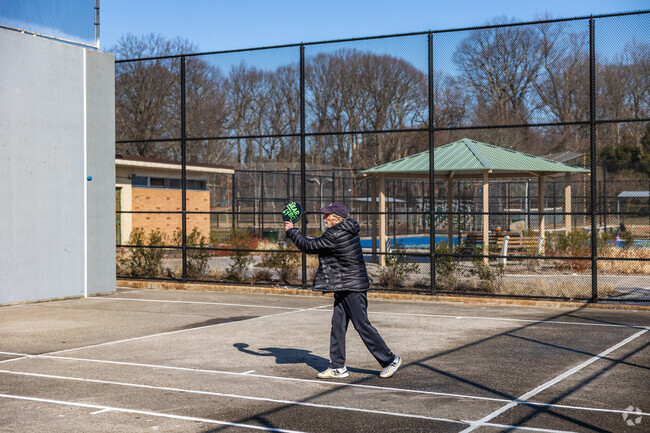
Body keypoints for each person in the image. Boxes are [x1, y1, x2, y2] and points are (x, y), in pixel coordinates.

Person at [284, 202, 401, 379]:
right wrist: (301, 234)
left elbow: (310, 246)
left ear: (337, 218)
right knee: (337, 326)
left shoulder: (336, 234)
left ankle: (390, 360)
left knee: (362, 326)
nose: (324, 218)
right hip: (343, 285)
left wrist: (292, 230)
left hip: (352, 287)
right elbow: (317, 242)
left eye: (327, 215)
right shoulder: (344, 230)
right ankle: (338, 366)